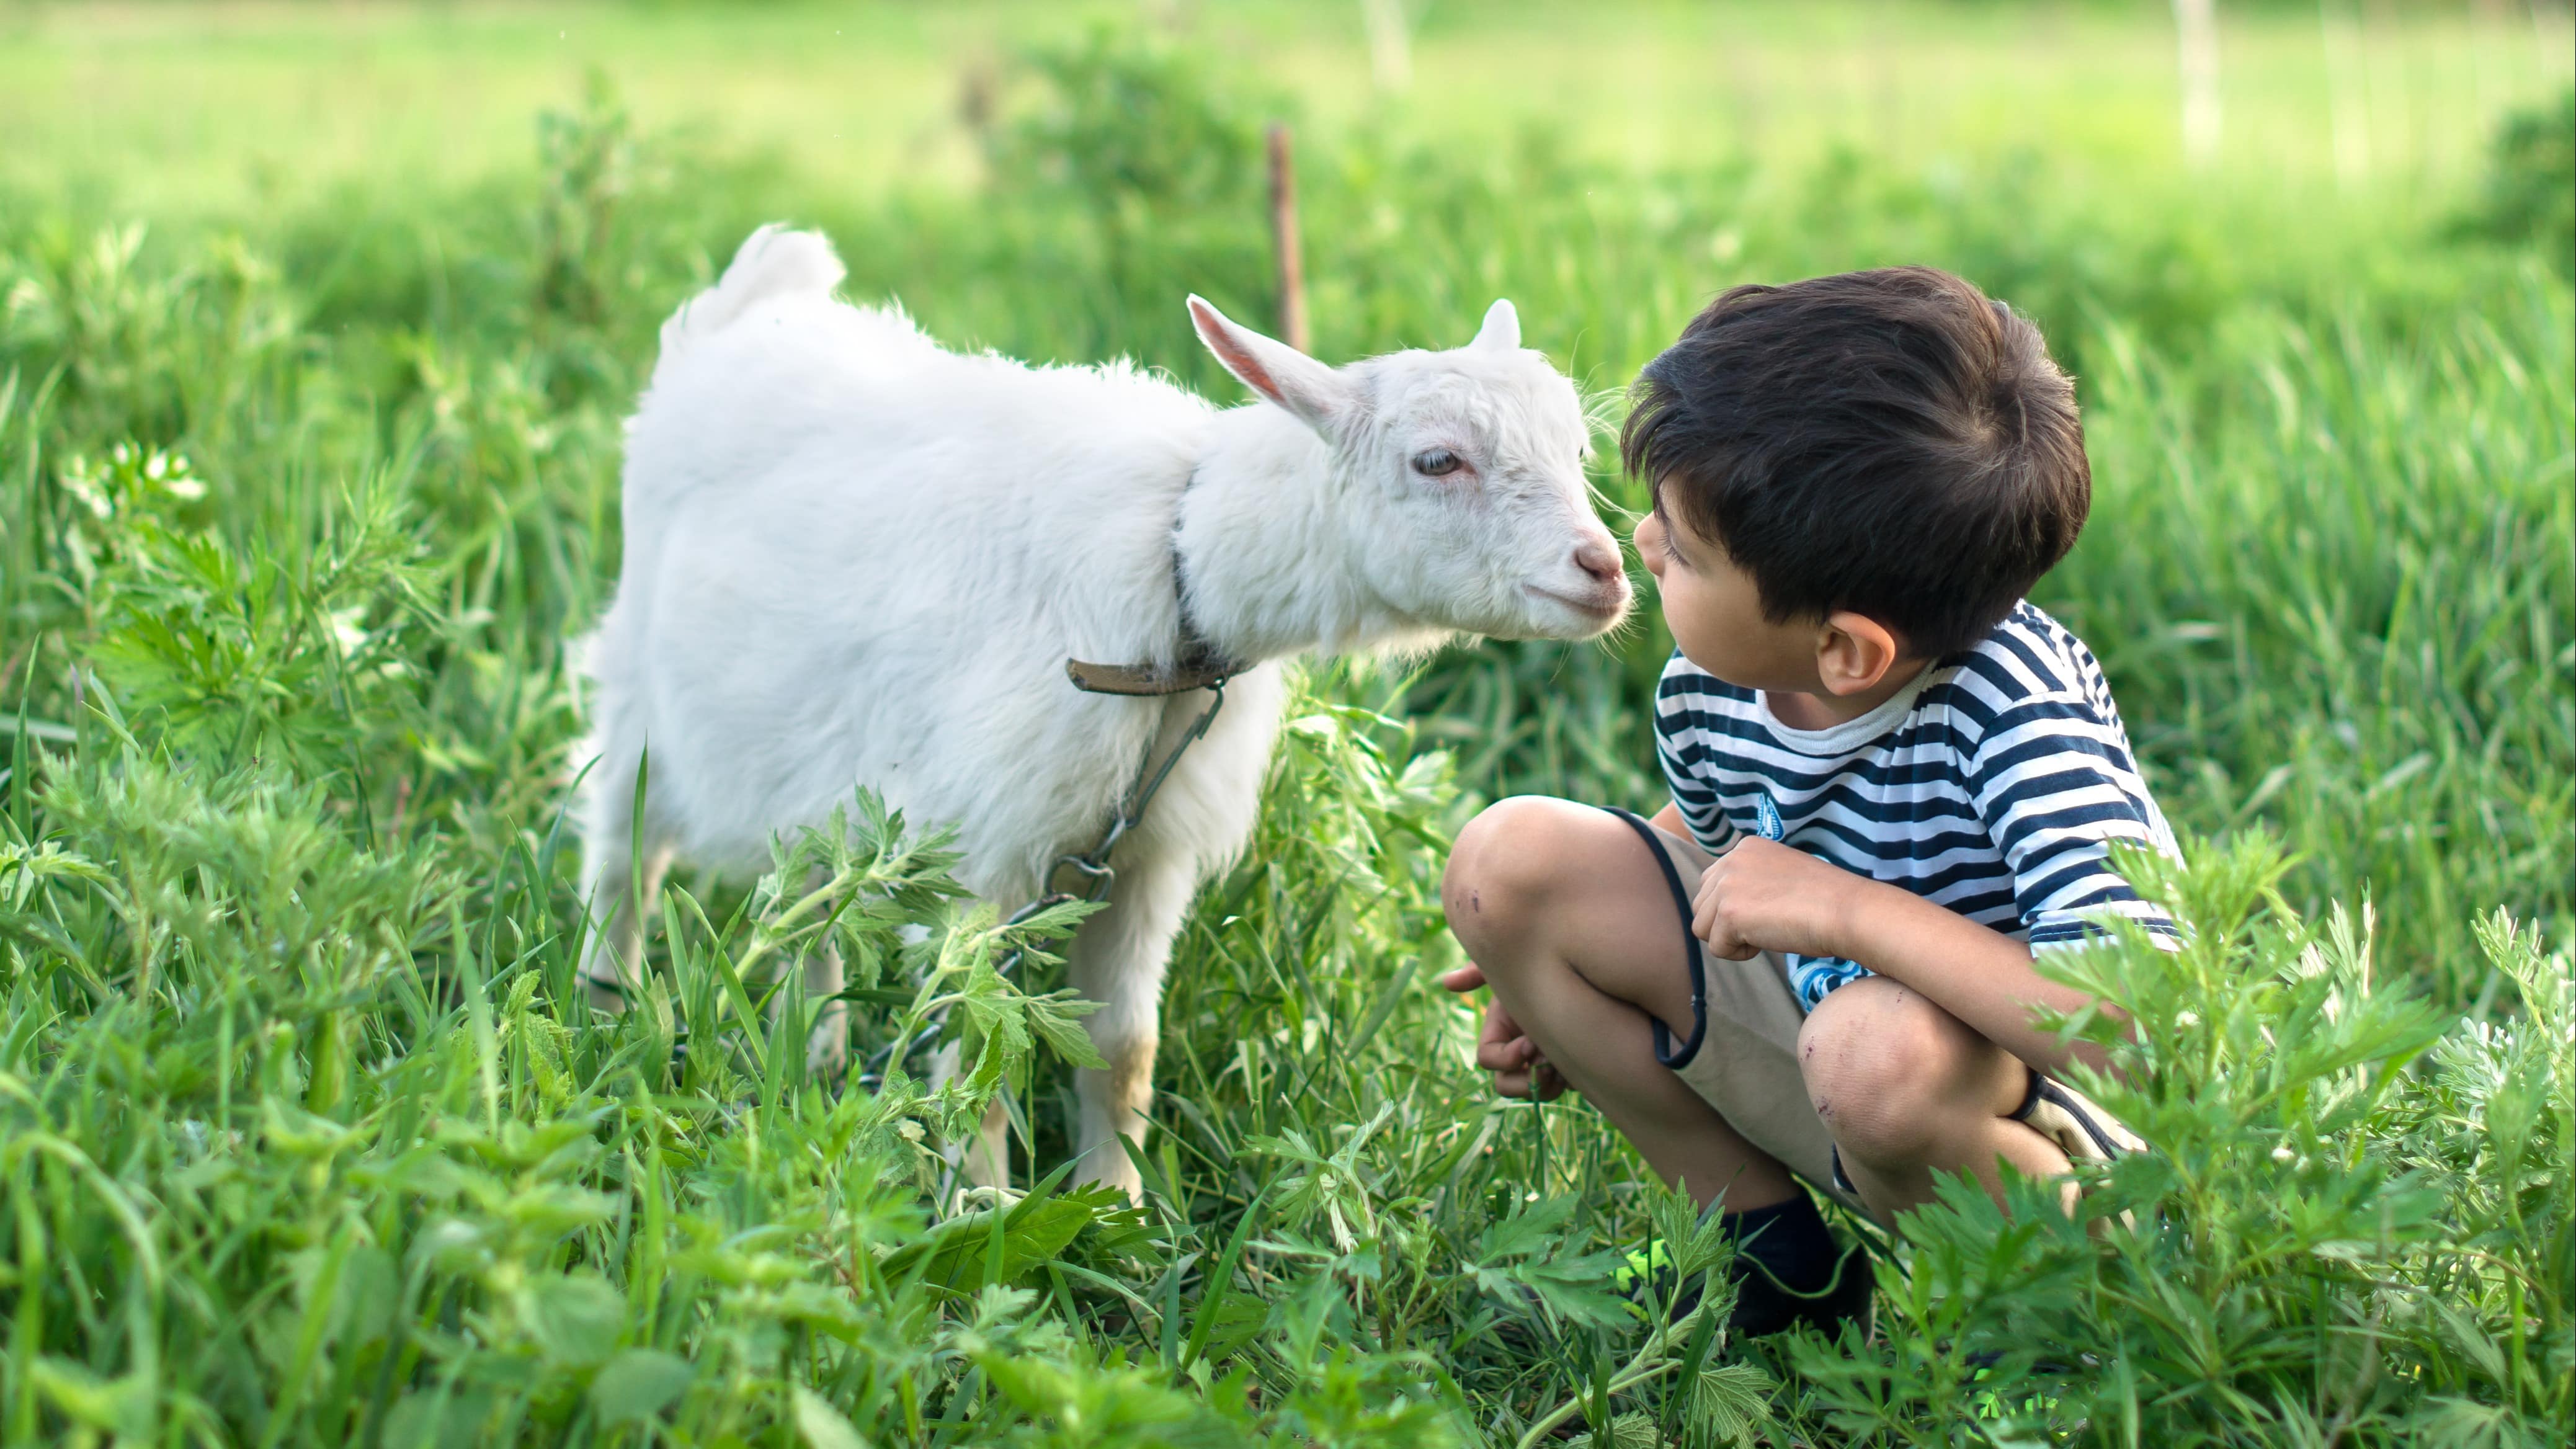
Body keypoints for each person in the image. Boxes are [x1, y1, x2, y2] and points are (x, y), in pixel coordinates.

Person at [1440, 267, 2175, 1339]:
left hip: (2029, 1127)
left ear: (1843, 649)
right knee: (1509, 866)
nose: (1641, 546)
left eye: (1682, 551)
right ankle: (1769, 1262)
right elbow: (1706, 841)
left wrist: (1845, 910)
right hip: (1825, 1041)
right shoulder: (1714, 681)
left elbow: (2130, 1026)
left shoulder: (2015, 714)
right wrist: (1556, 971)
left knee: (1873, 1050)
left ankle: (2051, 1323)